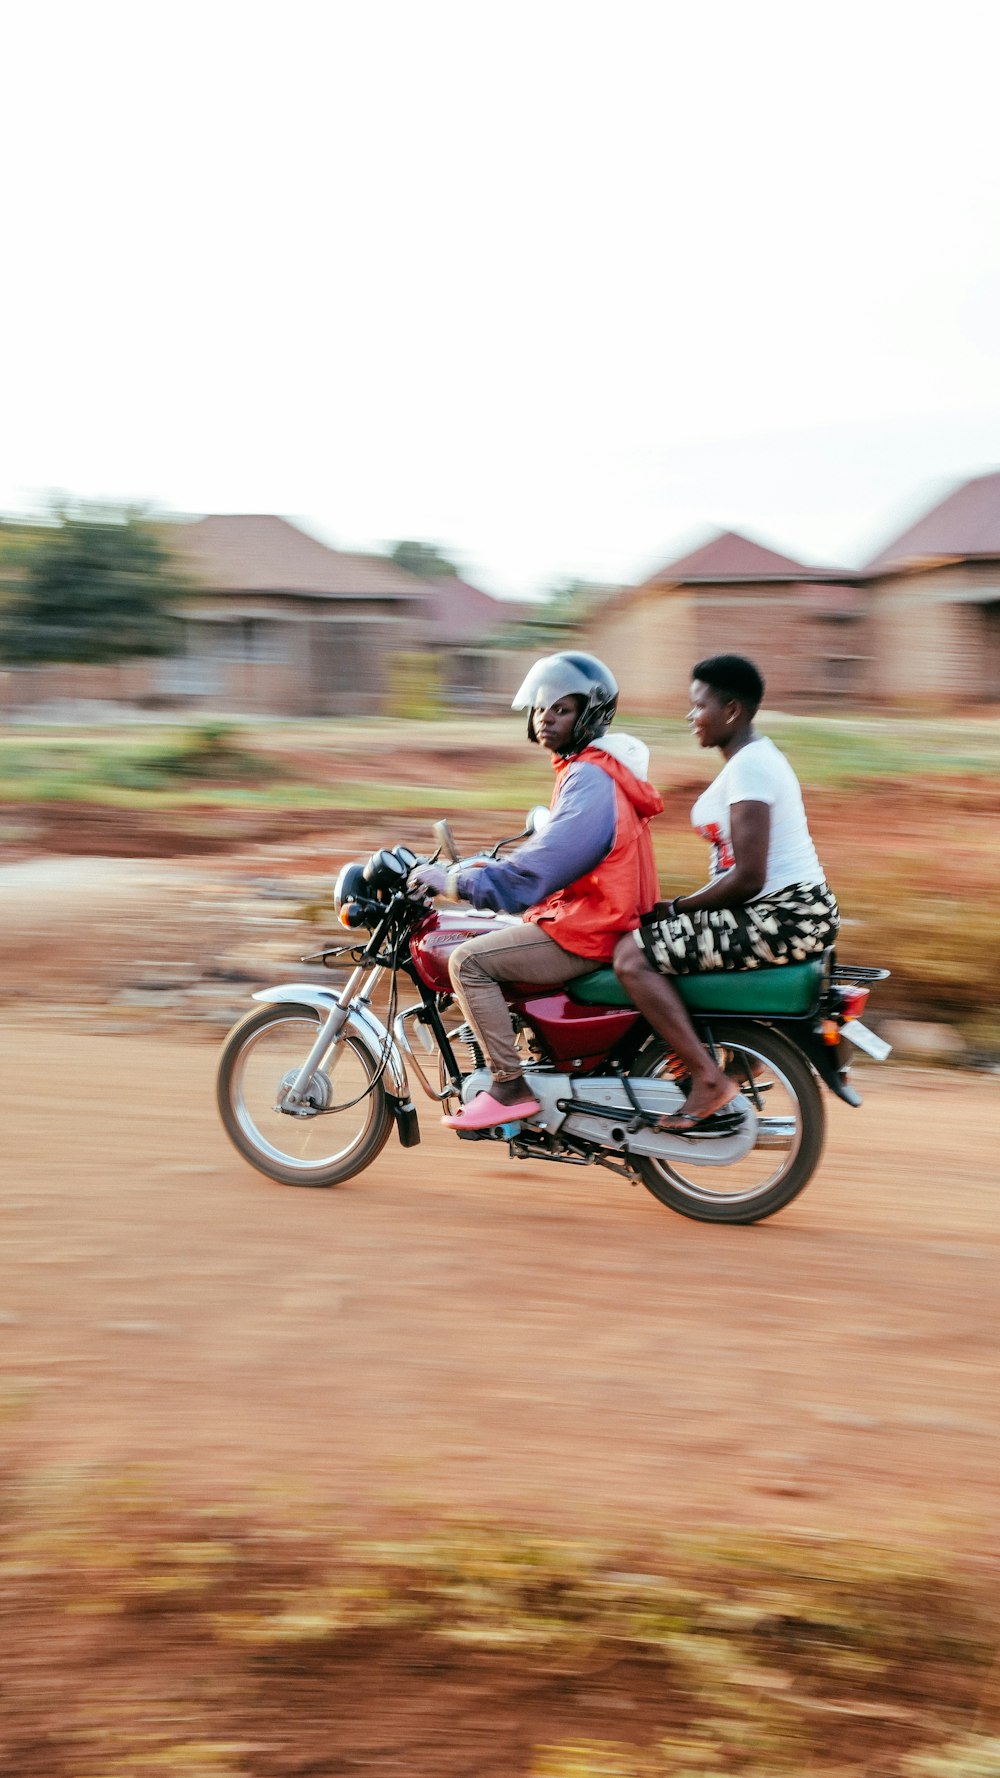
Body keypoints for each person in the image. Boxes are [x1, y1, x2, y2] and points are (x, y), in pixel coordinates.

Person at [409, 653, 663, 1131]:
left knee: (469, 961)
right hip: (596, 917)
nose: (545, 717)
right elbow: (554, 855)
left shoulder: (589, 778)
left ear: (588, 715)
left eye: (561, 709)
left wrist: (456, 883)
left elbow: (535, 875)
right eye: (540, 708)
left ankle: (508, 1085)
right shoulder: (592, 770)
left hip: (592, 928)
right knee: (498, 936)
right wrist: (488, 867)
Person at [613, 654, 839, 1133]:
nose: (691, 716)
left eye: (699, 706)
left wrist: (677, 907)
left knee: (632, 958)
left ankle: (707, 1077)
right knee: (663, 935)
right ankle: (739, 1058)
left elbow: (749, 878)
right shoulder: (749, 761)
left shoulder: (751, 767)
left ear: (732, 710)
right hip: (787, 911)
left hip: (785, 915)